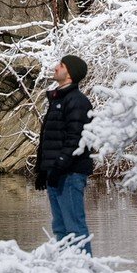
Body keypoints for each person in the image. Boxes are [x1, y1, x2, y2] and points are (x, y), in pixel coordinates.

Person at [33, 55, 94, 252]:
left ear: (70, 73)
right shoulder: (57, 100)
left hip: (70, 173)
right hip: (55, 172)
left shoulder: (77, 101)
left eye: (61, 65)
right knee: (60, 227)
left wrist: (58, 166)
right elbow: (48, 139)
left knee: (74, 226)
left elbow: (75, 139)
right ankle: (67, 272)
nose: (55, 68)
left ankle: (85, 272)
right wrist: (42, 170)